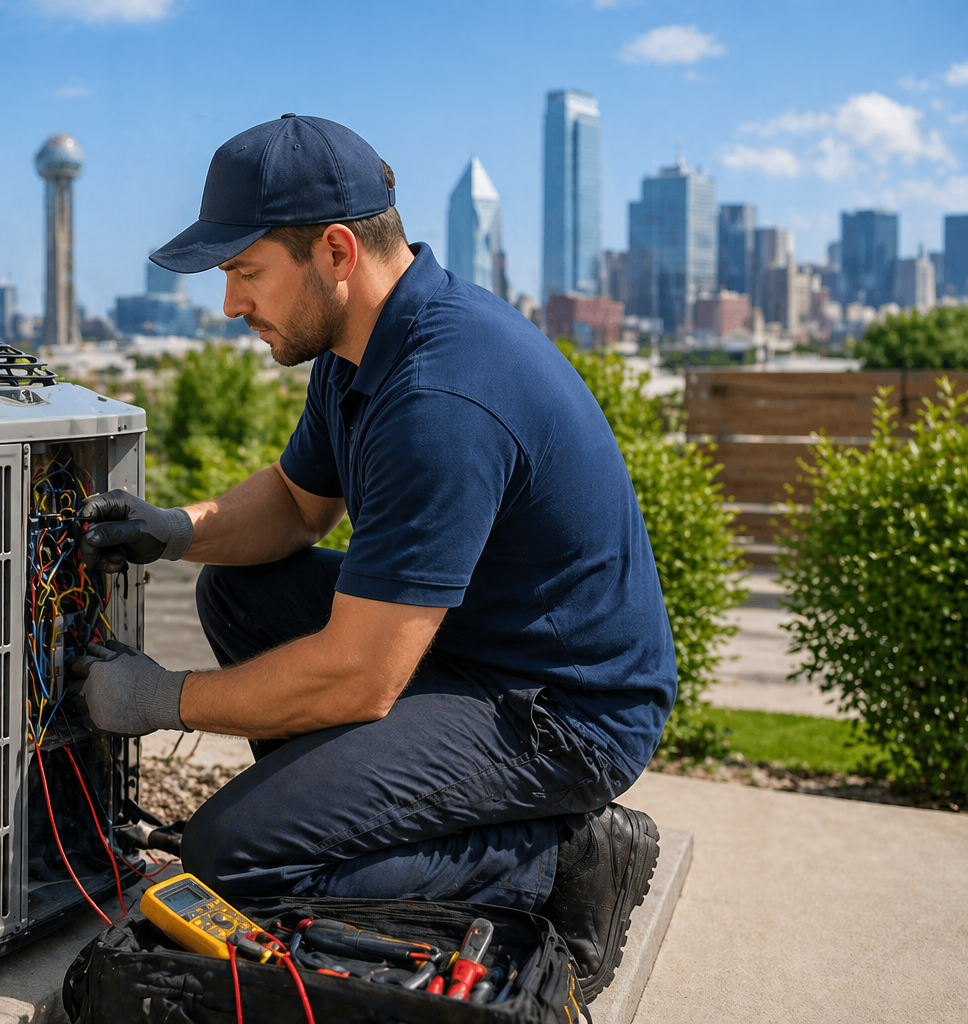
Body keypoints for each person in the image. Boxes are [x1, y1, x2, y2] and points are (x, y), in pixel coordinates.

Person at [70, 114, 672, 1001]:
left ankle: (559, 859)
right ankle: (330, 818)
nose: (231, 305)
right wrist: (177, 529)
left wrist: (161, 700)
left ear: (337, 251)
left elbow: (359, 678)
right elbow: (292, 504)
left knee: (226, 858)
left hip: (565, 713)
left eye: (244, 271)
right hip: (473, 654)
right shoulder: (359, 349)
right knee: (240, 591)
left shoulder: (441, 393)